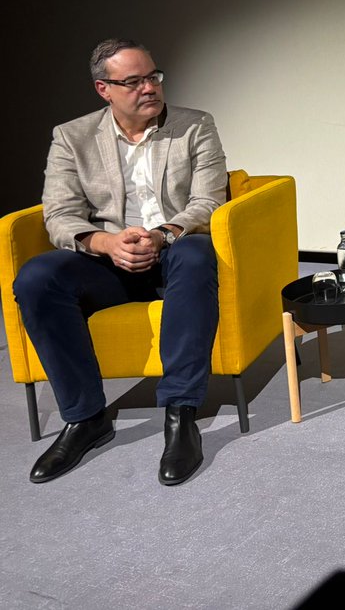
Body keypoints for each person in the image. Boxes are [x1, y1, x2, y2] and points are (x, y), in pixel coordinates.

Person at [14, 38, 227, 486]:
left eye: (153, 76)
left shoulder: (195, 126)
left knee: (195, 252)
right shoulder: (71, 137)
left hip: (172, 250)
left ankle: (181, 413)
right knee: (36, 277)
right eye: (133, 81)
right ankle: (86, 417)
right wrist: (105, 244)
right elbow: (59, 215)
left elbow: (208, 199)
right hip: (109, 259)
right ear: (103, 89)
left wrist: (163, 234)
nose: (149, 88)